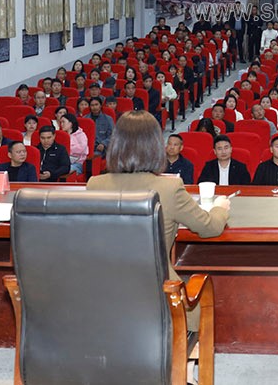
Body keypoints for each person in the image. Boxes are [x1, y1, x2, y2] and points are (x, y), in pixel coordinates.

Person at [89, 111, 230, 332]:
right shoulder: (169, 187)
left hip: (104, 294)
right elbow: (209, 227)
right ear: (155, 146)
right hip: (159, 297)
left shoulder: (94, 185)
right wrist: (220, 207)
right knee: (200, 309)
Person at [55, 111, 88, 175]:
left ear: (70, 123)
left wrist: (66, 150)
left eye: (63, 122)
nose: (61, 124)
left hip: (76, 163)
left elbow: (82, 148)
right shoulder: (61, 135)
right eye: (61, 122)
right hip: (62, 162)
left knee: (63, 171)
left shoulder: (80, 135)